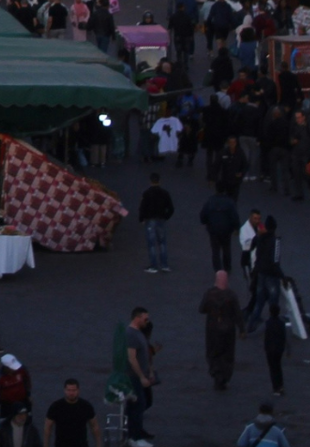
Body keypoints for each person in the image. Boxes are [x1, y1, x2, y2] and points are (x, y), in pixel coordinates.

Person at [200, 269, 241, 390]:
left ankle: (216, 374)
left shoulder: (209, 294)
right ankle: (225, 376)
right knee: (228, 353)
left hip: (213, 328)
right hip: (228, 329)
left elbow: (202, 309)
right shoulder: (231, 295)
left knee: (213, 352)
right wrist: (242, 329)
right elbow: (238, 313)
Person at [123, 307, 157, 447]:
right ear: (137, 318)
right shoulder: (131, 334)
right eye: (145, 318)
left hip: (141, 376)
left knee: (141, 403)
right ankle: (134, 438)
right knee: (138, 404)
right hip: (133, 377)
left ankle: (130, 431)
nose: (147, 321)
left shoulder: (139, 333)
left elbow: (144, 355)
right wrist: (142, 377)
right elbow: (132, 358)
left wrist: (150, 371)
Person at [42, 379, 99, 447]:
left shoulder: (86, 406)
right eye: (69, 390)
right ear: (64, 390)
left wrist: (99, 445)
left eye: (74, 390)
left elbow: (95, 427)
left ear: (78, 390)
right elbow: (47, 428)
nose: (71, 393)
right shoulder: (56, 407)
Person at [137, 172, 172, 273]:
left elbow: (142, 207)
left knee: (151, 243)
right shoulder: (165, 193)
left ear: (150, 181)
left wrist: (142, 219)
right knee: (162, 243)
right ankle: (164, 265)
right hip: (161, 219)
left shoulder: (147, 193)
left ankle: (153, 266)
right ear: (159, 180)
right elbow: (171, 208)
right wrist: (166, 216)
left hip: (150, 220)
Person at [0, 353, 32, 419]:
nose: (15, 369)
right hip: (7, 405)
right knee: (5, 423)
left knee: (26, 420)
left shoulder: (22, 369)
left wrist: (28, 395)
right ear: (6, 367)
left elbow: (27, 381)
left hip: (22, 401)